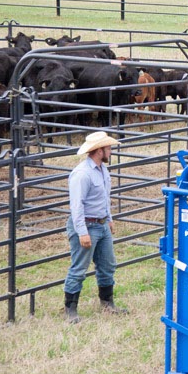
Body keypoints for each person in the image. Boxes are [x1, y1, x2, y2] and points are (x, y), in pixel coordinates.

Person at [63, 131, 128, 323]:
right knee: (79, 268)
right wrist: (82, 232)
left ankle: (107, 303)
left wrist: (108, 218)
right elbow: (77, 206)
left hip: (100, 224)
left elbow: (103, 197)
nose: (110, 151)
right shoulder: (82, 174)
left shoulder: (102, 170)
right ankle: (70, 310)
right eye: (108, 148)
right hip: (87, 225)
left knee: (107, 264)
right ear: (99, 151)